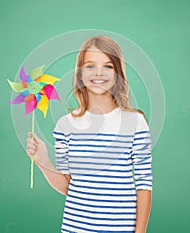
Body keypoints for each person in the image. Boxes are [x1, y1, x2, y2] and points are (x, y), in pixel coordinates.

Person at [26, 35, 153, 233]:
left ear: (118, 72)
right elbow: (69, 187)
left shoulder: (135, 122)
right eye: (90, 66)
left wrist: (140, 232)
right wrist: (42, 160)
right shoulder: (65, 126)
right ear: (80, 74)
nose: (99, 73)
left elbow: (144, 183)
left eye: (108, 66)